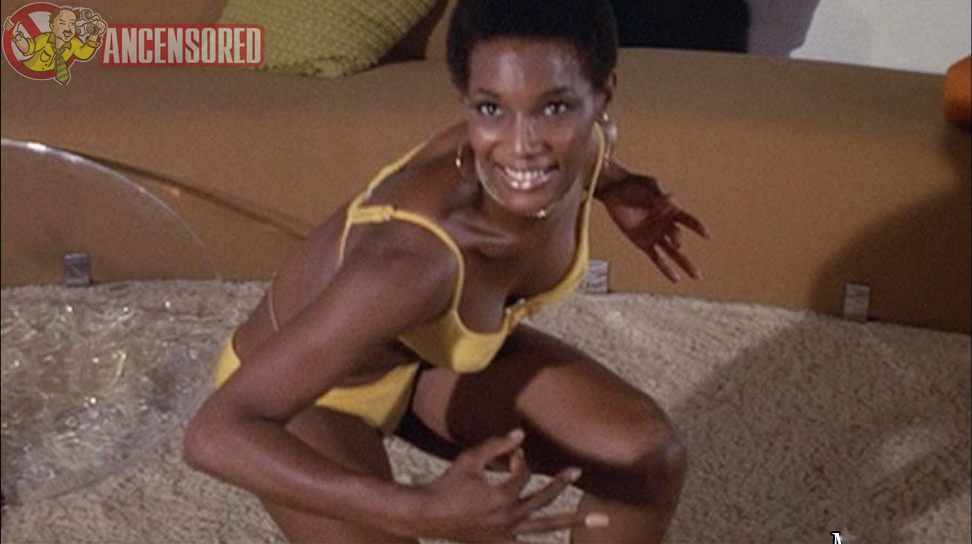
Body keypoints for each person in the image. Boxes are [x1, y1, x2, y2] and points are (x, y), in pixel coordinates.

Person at [184, 0, 710, 542]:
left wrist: (622, 189)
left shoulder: (589, 148)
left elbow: (590, 158)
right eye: (491, 109)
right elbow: (213, 435)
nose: (522, 145)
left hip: (419, 361)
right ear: (465, 101)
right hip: (307, 392)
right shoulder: (414, 258)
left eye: (555, 108)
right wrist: (415, 510)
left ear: (602, 96)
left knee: (646, 459)